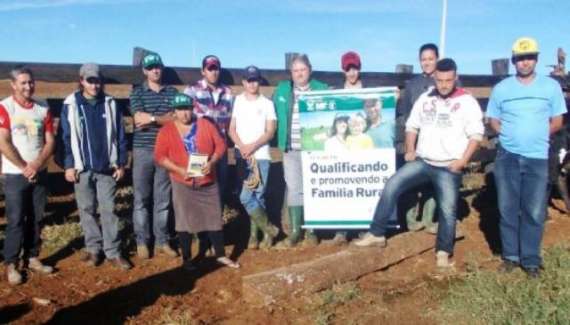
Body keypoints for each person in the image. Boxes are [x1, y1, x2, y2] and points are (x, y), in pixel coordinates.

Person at [355, 58, 484, 269]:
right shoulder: (425, 98)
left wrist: (462, 161)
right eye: (440, 80)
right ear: (434, 77)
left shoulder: (467, 101)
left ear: (455, 77)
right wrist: (410, 149)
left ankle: (443, 252)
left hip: (449, 166)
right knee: (392, 185)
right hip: (424, 161)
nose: (444, 84)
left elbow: (476, 135)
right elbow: (412, 125)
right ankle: (377, 233)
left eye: (448, 80)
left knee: (448, 210)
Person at [487, 37, 567, 278]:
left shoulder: (550, 87)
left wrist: (538, 134)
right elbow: (493, 118)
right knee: (507, 208)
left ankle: (531, 259)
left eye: (529, 57)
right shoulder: (502, 89)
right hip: (507, 156)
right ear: (514, 61)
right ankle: (511, 256)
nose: (525, 62)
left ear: (536, 59)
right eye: (520, 58)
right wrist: (508, 134)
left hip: (537, 157)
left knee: (533, 210)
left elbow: (558, 120)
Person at [154, 93, 239, 270]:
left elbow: (221, 145)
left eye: (187, 109)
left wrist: (212, 162)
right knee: (183, 220)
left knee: (213, 217)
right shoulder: (167, 131)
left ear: (192, 109)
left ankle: (220, 255)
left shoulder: (205, 124)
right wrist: (179, 170)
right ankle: (186, 258)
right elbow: (160, 156)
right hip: (182, 181)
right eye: (180, 109)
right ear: (174, 112)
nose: (184, 113)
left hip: (207, 180)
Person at [60, 63, 131, 270]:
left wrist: (120, 163)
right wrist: (69, 165)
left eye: (97, 80)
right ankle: (93, 249)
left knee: (109, 210)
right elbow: (65, 137)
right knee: (86, 209)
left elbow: (120, 134)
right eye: (90, 80)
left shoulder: (109, 103)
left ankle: (113, 251)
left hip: (107, 167)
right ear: (81, 81)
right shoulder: (71, 104)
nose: (94, 85)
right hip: (82, 168)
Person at [0, 67, 55, 285]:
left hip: (39, 172)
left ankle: (32, 256)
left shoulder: (42, 107)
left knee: (36, 217)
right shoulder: (5, 107)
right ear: (13, 85)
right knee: (15, 219)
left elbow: (50, 140)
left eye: (30, 82)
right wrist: (24, 166)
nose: (28, 86)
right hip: (15, 173)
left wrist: (38, 164)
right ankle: (11, 263)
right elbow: (3, 141)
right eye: (22, 83)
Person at [273, 54, 328, 247]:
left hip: (314, 149)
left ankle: (311, 230)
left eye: (302, 69)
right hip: (291, 148)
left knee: (312, 188)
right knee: (295, 189)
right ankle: (296, 231)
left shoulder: (322, 89)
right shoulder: (283, 90)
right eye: (295, 70)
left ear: (309, 70)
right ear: (291, 73)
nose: (299, 74)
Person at [129, 52, 179, 259]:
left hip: (165, 150)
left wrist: (150, 117)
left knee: (163, 198)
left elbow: (175, 119)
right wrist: (161, 118)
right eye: (150, 68)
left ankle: (162, 240)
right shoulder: (137, 92)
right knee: (141, 197)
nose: (155, 70)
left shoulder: (172, 91)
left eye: (157, 66)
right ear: (144, 71)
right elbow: (137, 118)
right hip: (142, 150)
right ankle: (142, 241)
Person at [228, 66, 279, 250]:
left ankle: (256, 236)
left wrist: (252, 146)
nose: (252, 83)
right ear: (243, 82)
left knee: (259, 195)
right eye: (249, 80)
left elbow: (270, 131)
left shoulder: (267, 104)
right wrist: (242, 147)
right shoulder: (238, 101)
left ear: (259, 82)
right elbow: (231, 129)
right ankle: (268, 229)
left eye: (255, 80)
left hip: (261, 155)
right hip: (243, 157)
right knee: (246, 196)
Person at [396, 43, 440, 233]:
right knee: (412, 179)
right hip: (416, 140)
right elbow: (405, 114)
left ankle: (429, 219)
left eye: (431, 58)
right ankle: (412, 220)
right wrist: (408, 144)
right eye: (423, 59)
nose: (427, 62)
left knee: (433, 180)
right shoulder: (412, 85)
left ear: (437, 59)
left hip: (438, 142)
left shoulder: (446, 81)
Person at [183, 55, 233, 207]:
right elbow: (183, 117)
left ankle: (216, 225)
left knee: (220, 185)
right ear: (203, 71)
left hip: (220, 149)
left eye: (216, 68)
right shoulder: (191, 90)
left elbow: (231, 118)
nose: (213, 72)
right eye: (210, 69)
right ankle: (198, 226)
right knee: (198, 184)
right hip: (199, 148)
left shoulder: (228, 92)